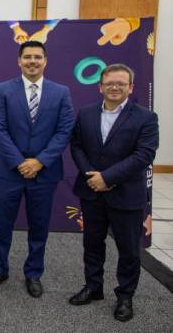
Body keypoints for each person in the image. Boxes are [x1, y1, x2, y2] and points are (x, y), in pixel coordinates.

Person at [0, 40, 75, 298]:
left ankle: (33, 273)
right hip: (8, 171)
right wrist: (19, 162)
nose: (32, 61)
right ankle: (0, 269)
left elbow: (64, 130)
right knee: (3, 225)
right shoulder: (3, 90)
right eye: (27, 57)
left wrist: (39, 161)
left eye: (37, 57)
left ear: (45, 61)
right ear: (19, 61)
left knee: (39, 226)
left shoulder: (61, 92)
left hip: (44, 173)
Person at [68, 64, 158, 322]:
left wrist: (107, 178)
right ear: (100, 87)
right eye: (109, 83)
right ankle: (93, 287)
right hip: (92, 192)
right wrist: (92, 177)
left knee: (129, 250)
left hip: (126, 195)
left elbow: (144, 155)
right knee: (92, 243)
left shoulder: (146, 118)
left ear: (131, 87)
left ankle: (125, 296)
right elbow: (76, 146)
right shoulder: (86, 113)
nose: (115, 87)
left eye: (121, 83)